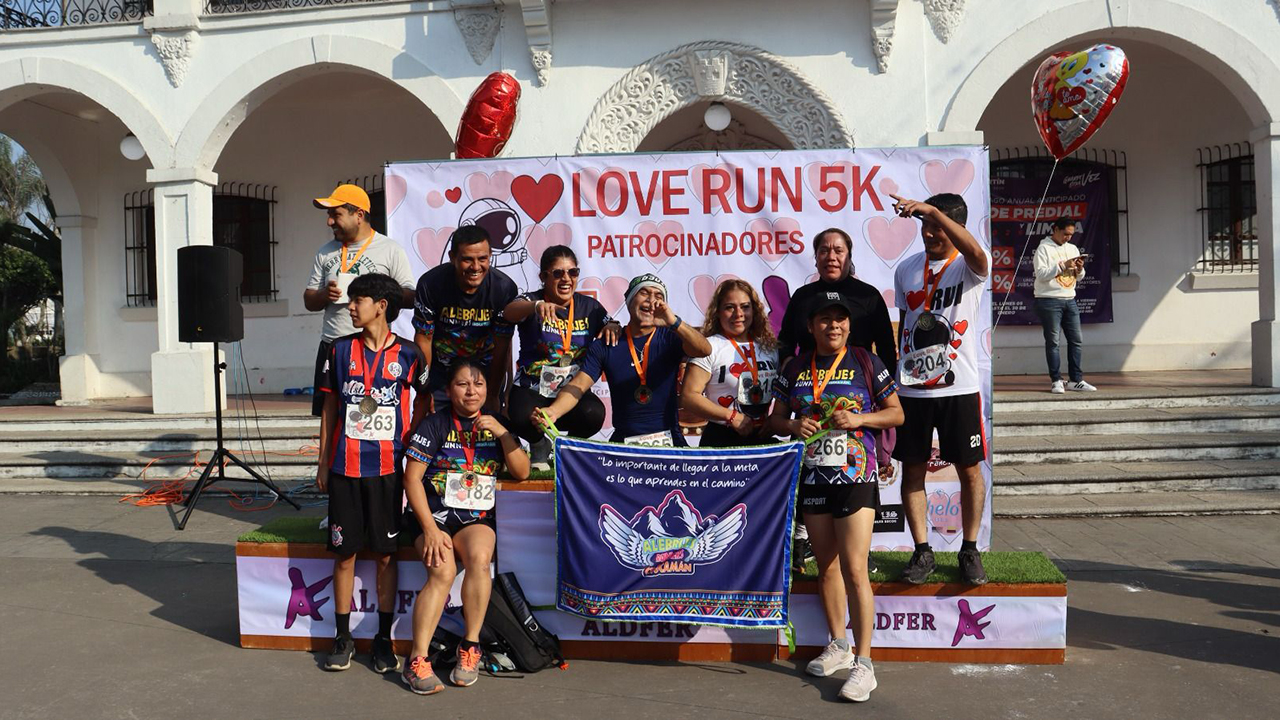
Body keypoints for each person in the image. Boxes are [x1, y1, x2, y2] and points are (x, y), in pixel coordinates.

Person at [768, 292, 902, 703]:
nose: (834, 326)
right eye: (825, 319)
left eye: (840, 319)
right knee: (826, 566)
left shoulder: (866, 361)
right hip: (813, 476)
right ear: (811, 327)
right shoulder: (795, 367)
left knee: (855, 569)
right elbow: (775, 418)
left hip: (855, 475)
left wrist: (860, 417)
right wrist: (794, 427)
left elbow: (896, 413)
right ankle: (839, 644)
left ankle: (865, 663)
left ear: (849, 325)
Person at [315, 273, 425, 675]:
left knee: (384, 555)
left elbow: (424, 399)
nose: (350, 306)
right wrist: (322, 461)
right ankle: (342, 637)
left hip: (387, 470)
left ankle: (383, 638)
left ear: (381, 306)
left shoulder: (410, 353)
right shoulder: (339, 350)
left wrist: (413, 443)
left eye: (357, 300)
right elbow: (329, 408)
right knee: (344, 554)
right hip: (344, 467)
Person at [400, 360, 530, 694]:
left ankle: (470, 647)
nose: (472, 391)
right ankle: (416, 660)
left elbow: (522, 471)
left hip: (475, 517)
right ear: (449, 390)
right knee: (442, 572)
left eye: (478, 384)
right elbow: (411, 479)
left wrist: (503, 434)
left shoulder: (497, 423)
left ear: (487, 389)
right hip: (434, 516)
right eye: (462, 384)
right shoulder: (435, 424)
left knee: (480, 559)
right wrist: (429, 529)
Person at [889, 192, 990, 585]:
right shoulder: (906, 269)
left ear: (956, 227)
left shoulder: (968, 265)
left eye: (937, 225)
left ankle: (970, 549)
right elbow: (906, 322)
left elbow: (977, 254)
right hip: (913, 390)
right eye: (925, 226)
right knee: (912, 470)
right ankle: (922, 550)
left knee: (969, 470)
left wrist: (931, 210)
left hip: (958, 387)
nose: (929, 233)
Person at [541, 274, 711, 447]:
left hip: (671, 442)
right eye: (644, 293)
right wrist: (553, 411)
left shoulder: (670, 338)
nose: (652, 300)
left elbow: (704, 350)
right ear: (629, 300)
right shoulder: (606, 344)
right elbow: (578, 385)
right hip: (624, 446)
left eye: (658, 296)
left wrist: (674, 322)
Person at [304, 184, 416, 417]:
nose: (330, 222)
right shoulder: (325, 252)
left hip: (375, 348)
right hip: (332, 345)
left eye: (336, 215)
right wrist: (324, 294)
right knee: (330, 414)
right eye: (329, 215)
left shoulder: (390, 249)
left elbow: (409, 297)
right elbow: (309, 300)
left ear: (359, 215)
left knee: (373, 413)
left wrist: (377, 291)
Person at [502, 246, 620, 459]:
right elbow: (509, 312)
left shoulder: (589, 307)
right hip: (533, 389)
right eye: (558, 273)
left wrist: (613, 325)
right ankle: (539, 444)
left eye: (573, 272)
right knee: (519, 415)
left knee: (593, 414)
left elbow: (611, 324)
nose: (566, 279)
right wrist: (535, 306)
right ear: (543, 277)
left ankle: (567, 450)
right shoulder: (533, 300)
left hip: (572, 392)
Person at [412, 225, 519, 415]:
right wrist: (424, 390)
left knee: (486, 429)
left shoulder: (504, 288)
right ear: (452, 257)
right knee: (435, 426)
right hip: (441, 373)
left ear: (490, 256)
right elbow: (423, 339)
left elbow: (502, 345)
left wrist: (493, 394)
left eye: (482, 259)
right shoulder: (431, 284)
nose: (476, 267)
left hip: (485, 373)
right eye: (467, 259)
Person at [777, 228, 896, 372]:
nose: (831, 257)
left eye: (839, 251)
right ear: (816, 259)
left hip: (858, 381)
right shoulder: (802, 296)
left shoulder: (869, 296)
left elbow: (886, 347)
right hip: (809, 379)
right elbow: (785, 340)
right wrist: (787, 361)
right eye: (824, 251)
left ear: (849, 258)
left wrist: (886, 381)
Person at [681, 279, 780, 447]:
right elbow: (688, 397)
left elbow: (781, 392)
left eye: (745, 306)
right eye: (729, 307)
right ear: (718, 312)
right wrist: (730, 416)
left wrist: (774, 419)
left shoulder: (769, 348)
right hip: (721, 438)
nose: (738, 313)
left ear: (754, 310)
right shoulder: (709, 347)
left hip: (761, 437)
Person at [1033, 218, 1096, 394]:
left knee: (1076, 340)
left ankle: (1076, 380)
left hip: (1070, 298)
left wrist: (1079, 269)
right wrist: (1063, 265)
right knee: (1053, 341)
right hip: (1049, 299)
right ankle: (1056, 380)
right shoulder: (1044, 248)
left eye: (1071, 234)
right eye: (1065, 234)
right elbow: (1041, 274)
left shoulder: (1073, 249)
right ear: (1055, 229)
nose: (1068, 237)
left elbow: (1079, 277)